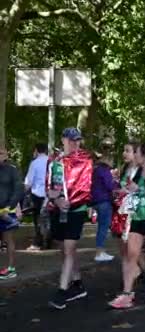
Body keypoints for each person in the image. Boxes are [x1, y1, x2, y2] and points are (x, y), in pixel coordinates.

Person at [109, 142, 145, 309]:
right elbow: (133, 190)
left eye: (137, 153)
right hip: (138, 217)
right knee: (131, 254)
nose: (134, 155)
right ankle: (127, 294)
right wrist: (124, 191)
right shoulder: (136, 172)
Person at [47, 128, 93, 310]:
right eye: (72, 140)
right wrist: (56, 199)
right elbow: (49, 184)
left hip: (76, 210)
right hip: (57, 209)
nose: (75, 144)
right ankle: (77, 283)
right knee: (64, 249)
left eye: (78, 140)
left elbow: (85, 188)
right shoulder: (54, 161)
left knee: (68, 248)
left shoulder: (85, 160)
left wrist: (69, 203)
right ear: (63, 140)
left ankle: (61, 292)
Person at [0, 146, 24, 280]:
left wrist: (10, 207)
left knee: (8, 239)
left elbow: (19, 189)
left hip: (7, 211)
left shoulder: (12, 170)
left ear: (6, 155)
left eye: (1, 153)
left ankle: (11, 268)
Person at [91, 139, 115, 262]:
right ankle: (99, 252)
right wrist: (116, 185)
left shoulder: (96, 170)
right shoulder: (104, 170)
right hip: (104, 200)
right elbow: (109, 185)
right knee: (103, 226)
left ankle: (101, 250)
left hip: (96, 200)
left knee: (102, 226)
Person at [24, 143, 48, 251]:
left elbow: (28, 182)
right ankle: (49, 240)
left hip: (37, 195)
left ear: (36, 151)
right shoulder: (52, 162)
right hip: (50, 195)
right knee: (48, 218)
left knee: (38, 218)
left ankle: (38, 242)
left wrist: (23, 192)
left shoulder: (34, 163)